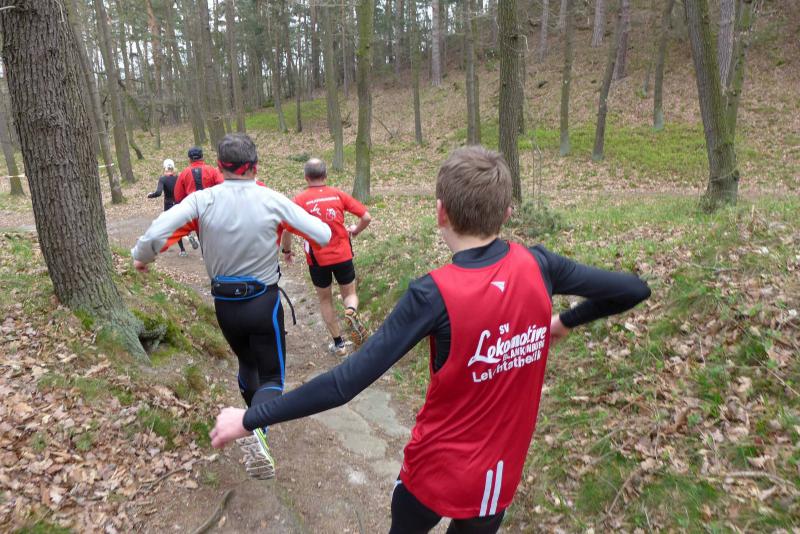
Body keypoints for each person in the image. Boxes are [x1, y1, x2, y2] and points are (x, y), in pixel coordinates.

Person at [209, 146, 651, 532]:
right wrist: (566, 321)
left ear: (441, 213)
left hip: (432, 473)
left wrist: (250, 418)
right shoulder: (540, 265)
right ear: (507, 213)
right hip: (497, 480)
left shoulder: (433, 294)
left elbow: (346, 383)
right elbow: (633, 289)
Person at [132, 134, 331, 480]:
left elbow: (155, 234)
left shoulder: (202, 201)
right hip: (263, 302)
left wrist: (142, 258)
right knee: (272, 376)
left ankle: (253, 424)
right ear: (255, 166)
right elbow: (323, 235)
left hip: (225, 305)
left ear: (220, 167)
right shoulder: (271, 199)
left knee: (247, 364)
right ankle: (256, 428)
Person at [280, 158, 372, 356]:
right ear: (325, 175)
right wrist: (355, 230)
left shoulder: (299, 200)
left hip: (317, 259)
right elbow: (366, 217)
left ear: (306, 177)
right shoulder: (338, 194)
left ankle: (339, 344)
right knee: (350, 294)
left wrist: (286, 251)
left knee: (325, 300)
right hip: (343, 254)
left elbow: (286, 230)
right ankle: (351, 310)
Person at [175, 146, 224, 250]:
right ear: (202, 157)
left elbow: (178, 197)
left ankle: (207, 256)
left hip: (196, 213)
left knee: (202, 240)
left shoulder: (184, 174)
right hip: (212, 210)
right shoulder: (212, 170)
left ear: (189, 159)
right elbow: (223, 187)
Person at [147, 159, 188, 256]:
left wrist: (150, 195)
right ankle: (187, 236)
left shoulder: (163, 179)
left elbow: (158, 193)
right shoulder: (178, 177)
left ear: (164, 168)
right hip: (179, 204)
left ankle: (181, 250)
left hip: (168, 205)